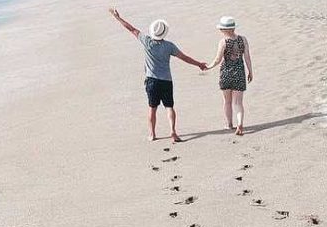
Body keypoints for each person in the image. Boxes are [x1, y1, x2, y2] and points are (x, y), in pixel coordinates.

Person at [108, 8, 208, 142]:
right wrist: (199, 64)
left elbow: (131, 29)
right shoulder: (169, 46)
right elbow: (184, 57)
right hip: (166, 81)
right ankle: (173, 132)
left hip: (152, 81)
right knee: (169, 107)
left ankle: (152, 134)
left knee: (152, 108)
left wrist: (117, 17)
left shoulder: (147, 41)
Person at [204, 15, 253, 135]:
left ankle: (229, 124)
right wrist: (250, 71)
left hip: (226, 73)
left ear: (223, 30)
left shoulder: (223, 42)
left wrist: (208, 66)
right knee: (238, 102)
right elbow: (247, 57)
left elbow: (218, 59)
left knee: (227, 101)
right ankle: (240, 124)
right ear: (233, 28)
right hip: (239, 73)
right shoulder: (243, 39)